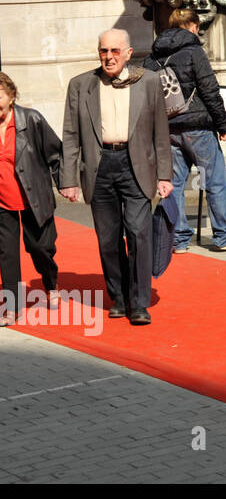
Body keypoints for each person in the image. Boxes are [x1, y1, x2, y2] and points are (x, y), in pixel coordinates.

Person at [59, 29, 172, 325]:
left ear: (128, 53)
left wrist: (165, 174)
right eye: (103, 51)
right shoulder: (81, 85)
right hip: (100, 167)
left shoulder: (148, 82)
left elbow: (161, 133)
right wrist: (68, 178)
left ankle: (139, 302)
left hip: (136, 165)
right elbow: (70, 136)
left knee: (138, 233)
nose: (109, 57)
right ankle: (119, 298)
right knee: (108, 240)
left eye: (114, 51)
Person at [143, 9, 226, 256]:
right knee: (214, 181)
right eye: (197, 26)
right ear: (190, 25)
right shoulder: (194, 51)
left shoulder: (152, 56)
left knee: (174, 183)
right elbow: (209, 90)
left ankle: (178, 239)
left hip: (168, 127)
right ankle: (223, 236)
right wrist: (222, 125)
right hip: (198, 126)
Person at [0, 73, 62, 325]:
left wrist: (66, 184)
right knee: (6, 253)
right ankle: (12, 306)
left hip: (33, 197)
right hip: (2, 200)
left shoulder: (31, 120)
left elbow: (56, 154)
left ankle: (51, 283)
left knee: (39, 248)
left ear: (11, 96)